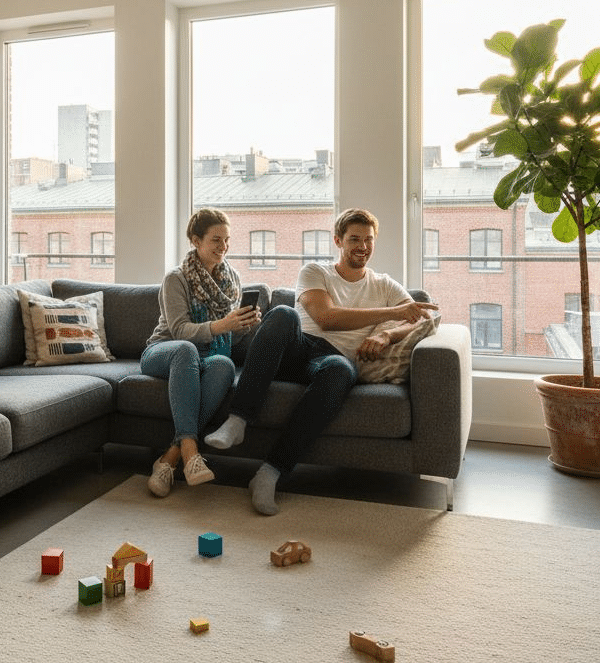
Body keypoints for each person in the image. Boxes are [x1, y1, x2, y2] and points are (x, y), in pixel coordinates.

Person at [204, 208, 437, 514]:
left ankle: (269, 473)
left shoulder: (384, 284)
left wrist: (386, 336)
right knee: (284, 314)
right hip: (297, 349)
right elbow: (326, 318)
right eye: (354, 239)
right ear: (338, 240)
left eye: (368, 240)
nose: (362, 246)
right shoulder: (315, 272)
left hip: (331, 361)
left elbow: (422, 315)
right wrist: (392, 313)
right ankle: (237, 421)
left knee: (342, 369)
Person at [142, 208, 261, 497]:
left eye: (227, 240)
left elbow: (228, 335)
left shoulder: (230, 278)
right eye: (216, 240)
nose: (224, 247)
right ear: (196, 240)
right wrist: (223, 324)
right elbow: (180, 330)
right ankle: (191, 451)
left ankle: (171, 457)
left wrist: (245, 324)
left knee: (222, 363)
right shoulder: (176, 279)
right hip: (165, 352)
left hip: (207, 356)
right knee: (186, 350)